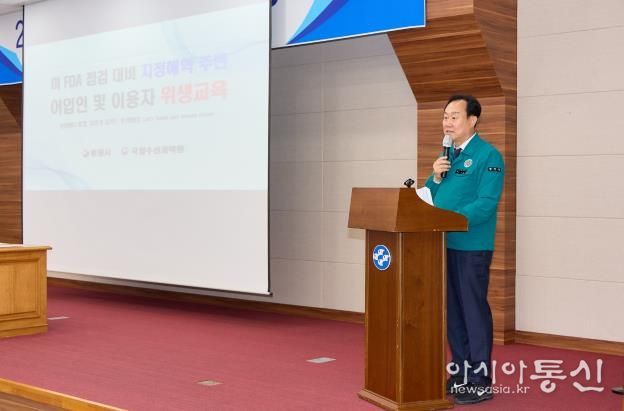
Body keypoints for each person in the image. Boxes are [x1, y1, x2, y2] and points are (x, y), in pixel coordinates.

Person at [425, 95, 504, 405]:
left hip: (471, 247)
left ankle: (480, 381)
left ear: (473, 120)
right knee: (454, 313)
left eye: (454, 116)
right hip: (443, 244)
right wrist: (435, 177)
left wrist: (450, 220)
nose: (447, 122)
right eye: (445, 116)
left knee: (473, 311)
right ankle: (460, 373)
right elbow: (429, 199)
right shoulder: (446, 156)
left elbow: (486, 204)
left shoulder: (488, 155)